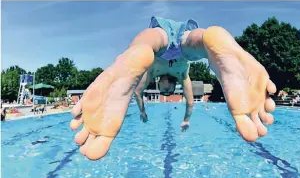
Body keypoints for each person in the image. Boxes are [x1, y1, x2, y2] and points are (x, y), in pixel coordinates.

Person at [70, 16, 277, 161]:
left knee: (152, 41)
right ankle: (207, 41)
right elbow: (188, 101)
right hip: (183, 45)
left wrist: (142, 110)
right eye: (168, 92)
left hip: (159, 44)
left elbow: (136, 91)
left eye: (164, 91)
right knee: (191, 41)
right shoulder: (182, 73)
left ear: (159, 84)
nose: (165, 91)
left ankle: (135, 51)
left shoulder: (152, 71)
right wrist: (186, 119)